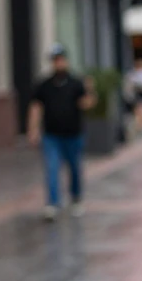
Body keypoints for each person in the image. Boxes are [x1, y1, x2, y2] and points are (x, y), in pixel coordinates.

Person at [28, 44, 97, 220]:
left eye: (61, 59)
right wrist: (33, 129)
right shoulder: (44, 85)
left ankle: (76, 198)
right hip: (51, 135)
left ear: (66, 61)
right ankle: (52, 203)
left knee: (74, 168)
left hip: (73, 134)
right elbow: (36, 107)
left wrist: (90, 90)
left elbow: (86, 104)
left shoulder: (76, 83)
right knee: (52, 168)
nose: (58, 63)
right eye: (55, 60)